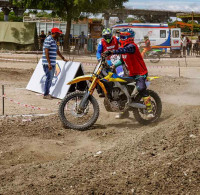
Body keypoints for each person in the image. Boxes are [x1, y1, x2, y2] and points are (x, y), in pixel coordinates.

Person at [102, 28, 153, 119]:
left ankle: (149, 109)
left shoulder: (132, 46)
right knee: (120, 89)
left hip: (140, 73)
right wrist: (112, 66)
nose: (121, 38)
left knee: (141, 88)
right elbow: (121, 60)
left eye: (123, 36)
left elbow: (123, 51)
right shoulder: (124, 48)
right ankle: (124, 111)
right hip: (131, 73)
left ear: (129, 37)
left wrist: (112, 51)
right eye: (121, 36)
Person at [42, 27, 68, 99]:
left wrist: (63, 58)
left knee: (50, 78)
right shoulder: (48, 39)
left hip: (52, 63)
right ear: (55, 33)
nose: (59, 35)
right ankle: (46, 94)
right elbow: (46, 51)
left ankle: (47, 93)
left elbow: (57, 51)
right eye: (58, 33)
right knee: (49, 78)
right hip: (48, 63)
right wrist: (49, 63)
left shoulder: (54, 40)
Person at [96, 28, 119, 97]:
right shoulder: (101, 42)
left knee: (121, 70)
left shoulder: (116, 38)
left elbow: (123, 44)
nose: (107, 37)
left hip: (116, 58)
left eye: (108, 36)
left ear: (111, 35)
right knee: (98, 73)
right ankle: (101, 91)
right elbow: (98, 52)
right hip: (106, 60)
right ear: (103, 37)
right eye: (105, 36)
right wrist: (99, 58)